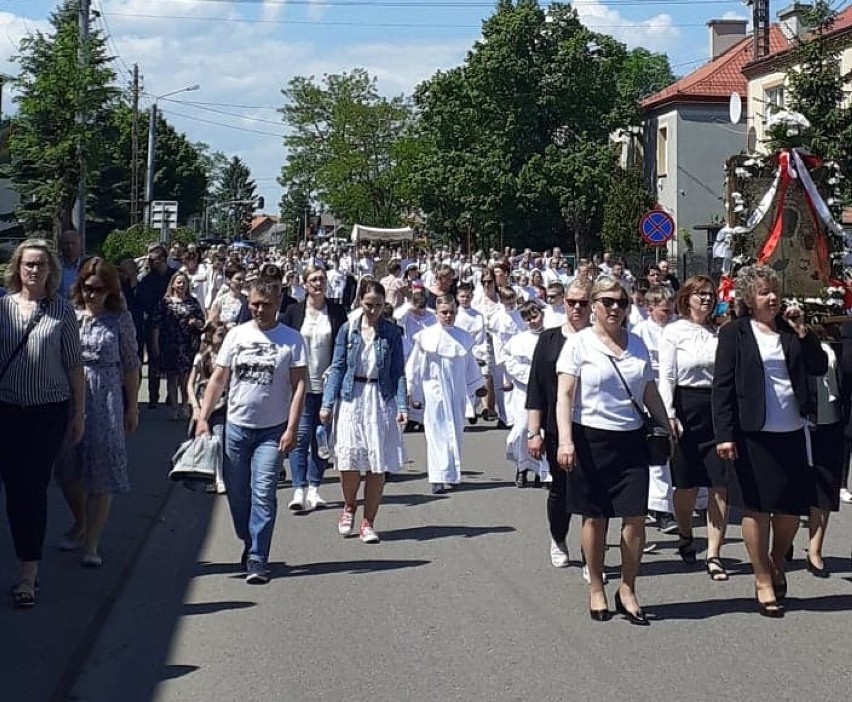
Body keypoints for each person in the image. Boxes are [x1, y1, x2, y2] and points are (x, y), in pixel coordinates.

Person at [712, 265, 827, 618]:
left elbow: (819, 367)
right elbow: (722, 387)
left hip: (791, 430)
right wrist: (724, 436)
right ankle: (762, 577)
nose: (772, 297)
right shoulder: (735, 333)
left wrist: (805, 333)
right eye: (764, 292)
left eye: (775, 290)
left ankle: (777, 559)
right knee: (757, 508)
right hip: (752, 434)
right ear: (749, 298)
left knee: (791, 508)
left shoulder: (791, 331)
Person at [555, 276, 669, 624]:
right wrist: (565, 440)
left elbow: (649, 391)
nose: (615, 308)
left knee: (634, 518)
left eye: (621, 301)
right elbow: (564, 397)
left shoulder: (637, 345)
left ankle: (628, 588)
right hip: (591, 439)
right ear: (593, 306)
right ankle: (596, 588)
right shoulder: (579, 345)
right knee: (596, 517)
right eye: (607, 301)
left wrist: (667, 425)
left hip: (631, 441)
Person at [196, 279, 307, 584]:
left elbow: (299, 386)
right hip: (237, 428)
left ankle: (258, 556)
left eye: (266, 304)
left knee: (263, 492)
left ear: (278, 304)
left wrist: (292, 428)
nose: (260, 309)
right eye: (255, 303)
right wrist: (203, 417)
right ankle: (248, 538)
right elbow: (219, 378)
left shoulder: (292, 340)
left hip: (271, 432)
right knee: (237, 494)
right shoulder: (237, 335)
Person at [0, 239, 84, 608]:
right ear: (17, 268)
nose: (34, 270)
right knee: (11, 487)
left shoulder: (62, 312)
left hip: (47, 411)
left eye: (41, 265)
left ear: (51, 270)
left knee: (31, 489)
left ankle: (28, 574)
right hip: (6, 409)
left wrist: (78, 413)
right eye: (28, 264)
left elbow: (74, 366)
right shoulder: (1, 308)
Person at [54, 258, 140, 568]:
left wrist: (132, 406)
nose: (91, 294)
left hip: (105, 394)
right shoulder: (69, 315)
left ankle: (92, 542)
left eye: (98, 289)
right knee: (66, 467)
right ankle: (80, 521)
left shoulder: (119, 319)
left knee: (101, 467)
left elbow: (131, 364)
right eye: (87, 288)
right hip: (69, 393)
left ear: (110, 290)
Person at [320, 282, 407, 543]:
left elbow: (398, 372)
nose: (373, 310)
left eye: (378, 305)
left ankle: (368, 521)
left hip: (379, 398)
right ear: (359, 301)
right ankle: (349, 506)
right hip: (352, 397)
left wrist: (402, 405)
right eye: (368, 305)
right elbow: (337, 367)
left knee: (376, 465)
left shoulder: (391, 333)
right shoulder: (348, 330)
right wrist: (327, 403)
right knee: (348, 462)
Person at [659, 276, 730, 576]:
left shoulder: (719, 332)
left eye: (710, 294)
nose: (706, 299)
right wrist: (669, 414)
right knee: (686, 484)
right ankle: (686, 534)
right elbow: (667, 376)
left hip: (716, 408)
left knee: (720, 483)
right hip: (686, 408)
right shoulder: (674, 331)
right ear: (686, 298)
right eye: (699, 294)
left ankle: (714, 553)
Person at [527, 279, 592, 571]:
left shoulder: (602, 338)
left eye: (583, 302)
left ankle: (592, 555)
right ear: (563, 303)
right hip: (557, 429)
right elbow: (536, 389)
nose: (577, 308)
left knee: (593, 493)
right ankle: (558, 537)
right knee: (562, 490)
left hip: (595, 427)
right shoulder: (550, 339)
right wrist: (533, 432)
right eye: (571, 302)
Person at [281, 265, 347, 512]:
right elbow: (284, 344)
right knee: (300, 435)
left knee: (322, 437)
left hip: (328, 384)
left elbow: (344, 345)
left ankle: (314, 488)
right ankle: (298, 488)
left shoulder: (337, 311)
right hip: (301, 385)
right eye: (313, 279)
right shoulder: (294, 311)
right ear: (305, 283)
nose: (318, 283)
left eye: (322, 279)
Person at [406, 294, 486, 494]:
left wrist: (478, 385)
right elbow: (414, 366)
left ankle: (450, 474)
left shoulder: (463, 337)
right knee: (436, 433)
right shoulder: (426, 337)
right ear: (437, 313)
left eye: (452, 312)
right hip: (434, 392)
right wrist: (409, 389)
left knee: (455, 432)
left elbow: (470, 367)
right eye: (444, 312)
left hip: (457, 392)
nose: (448, 316)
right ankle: (437, 477)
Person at [633, 285, 677, 538]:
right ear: (649, 309)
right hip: (651, 391)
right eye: (663, 309)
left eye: (671, 307)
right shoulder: (641, 332)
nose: (668, 312)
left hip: (674, 389)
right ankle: (661, 508)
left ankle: (693, 498)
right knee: (659, 446)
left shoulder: (677, 328)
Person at [806, 331, 844, 577]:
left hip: (831, 421)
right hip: (798, 422)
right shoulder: (782, 343)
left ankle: (815, 550)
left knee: (826, 485)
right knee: (793, 485)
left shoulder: (836, 345)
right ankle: (783, 543)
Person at [503, 301, 548, 487]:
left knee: (544, 431)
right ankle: (522, 468)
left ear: (542, 314)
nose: (532, 322)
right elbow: (510, 363)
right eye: (527, 319)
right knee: (523, 430)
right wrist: (531, 377)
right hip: (524, 391)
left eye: (535, 316)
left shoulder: (551, 337)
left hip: (546, 392)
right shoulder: (518, 341)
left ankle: (543, 472)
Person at [152, 271, 206, 421]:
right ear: (173, 284)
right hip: (169, 344)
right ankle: (174, 408)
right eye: (179, 282)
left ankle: (185, 405)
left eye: (184, 282)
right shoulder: (165, 302)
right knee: (171, 378)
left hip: (187, 344)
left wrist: (196, 322)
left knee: (185, 378)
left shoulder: (193, 302)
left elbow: (203, 323)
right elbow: (156, 325)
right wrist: (155, 344)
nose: (181, 285)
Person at [188, 324, 229, 495]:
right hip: (203, 403)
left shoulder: (228, 359)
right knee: (203, 442)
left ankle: (220, 478)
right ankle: (200, 475)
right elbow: (190, 384)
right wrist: (195, 407)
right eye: (220, 333)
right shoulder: (201, 358)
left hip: (221, 404)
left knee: (219, 441)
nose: (223, 336)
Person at [136, 243, 173, 408]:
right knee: (154, 358)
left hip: (172, 322)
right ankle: (153, 397)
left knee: (172, 359)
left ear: (163, 258)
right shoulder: (147, 278)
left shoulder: (173, 275)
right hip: (153, 322)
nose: (151, 262)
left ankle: (171, 396)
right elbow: (143, 300)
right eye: (149, 259)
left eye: (154, 259)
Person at [207, 264, 247, 328]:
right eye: (238, 279)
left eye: (243, 279)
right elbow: (212, 323)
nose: (242, 282)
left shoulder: (248, 300)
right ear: (228, 280)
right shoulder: (220, 300)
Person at [58, 229, 87, 299]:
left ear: (80, 246)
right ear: (61, 245)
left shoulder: (86, 266)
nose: (70, 246)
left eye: (73, 243)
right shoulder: (54, 266)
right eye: (66, 243)